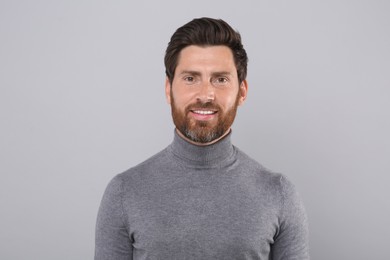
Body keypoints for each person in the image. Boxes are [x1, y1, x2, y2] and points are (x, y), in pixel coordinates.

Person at [95, 17, 309, 260]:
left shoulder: (279, 194)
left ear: (242, 92)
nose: (205, 94)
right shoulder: (124, 192)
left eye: (220, 79)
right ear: (168, 89)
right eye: (190, 78)